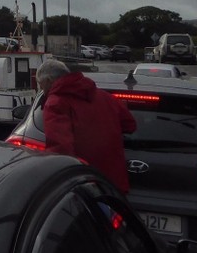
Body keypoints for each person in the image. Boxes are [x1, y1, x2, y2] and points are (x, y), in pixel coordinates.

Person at [35, 59, 137, 193]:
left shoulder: (56, 102)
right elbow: (130, 125)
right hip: (113, 183)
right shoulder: (105, 97)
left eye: (40, 84)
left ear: (48, 81)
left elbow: (60, 151)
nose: (41, 88)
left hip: (84, 186)